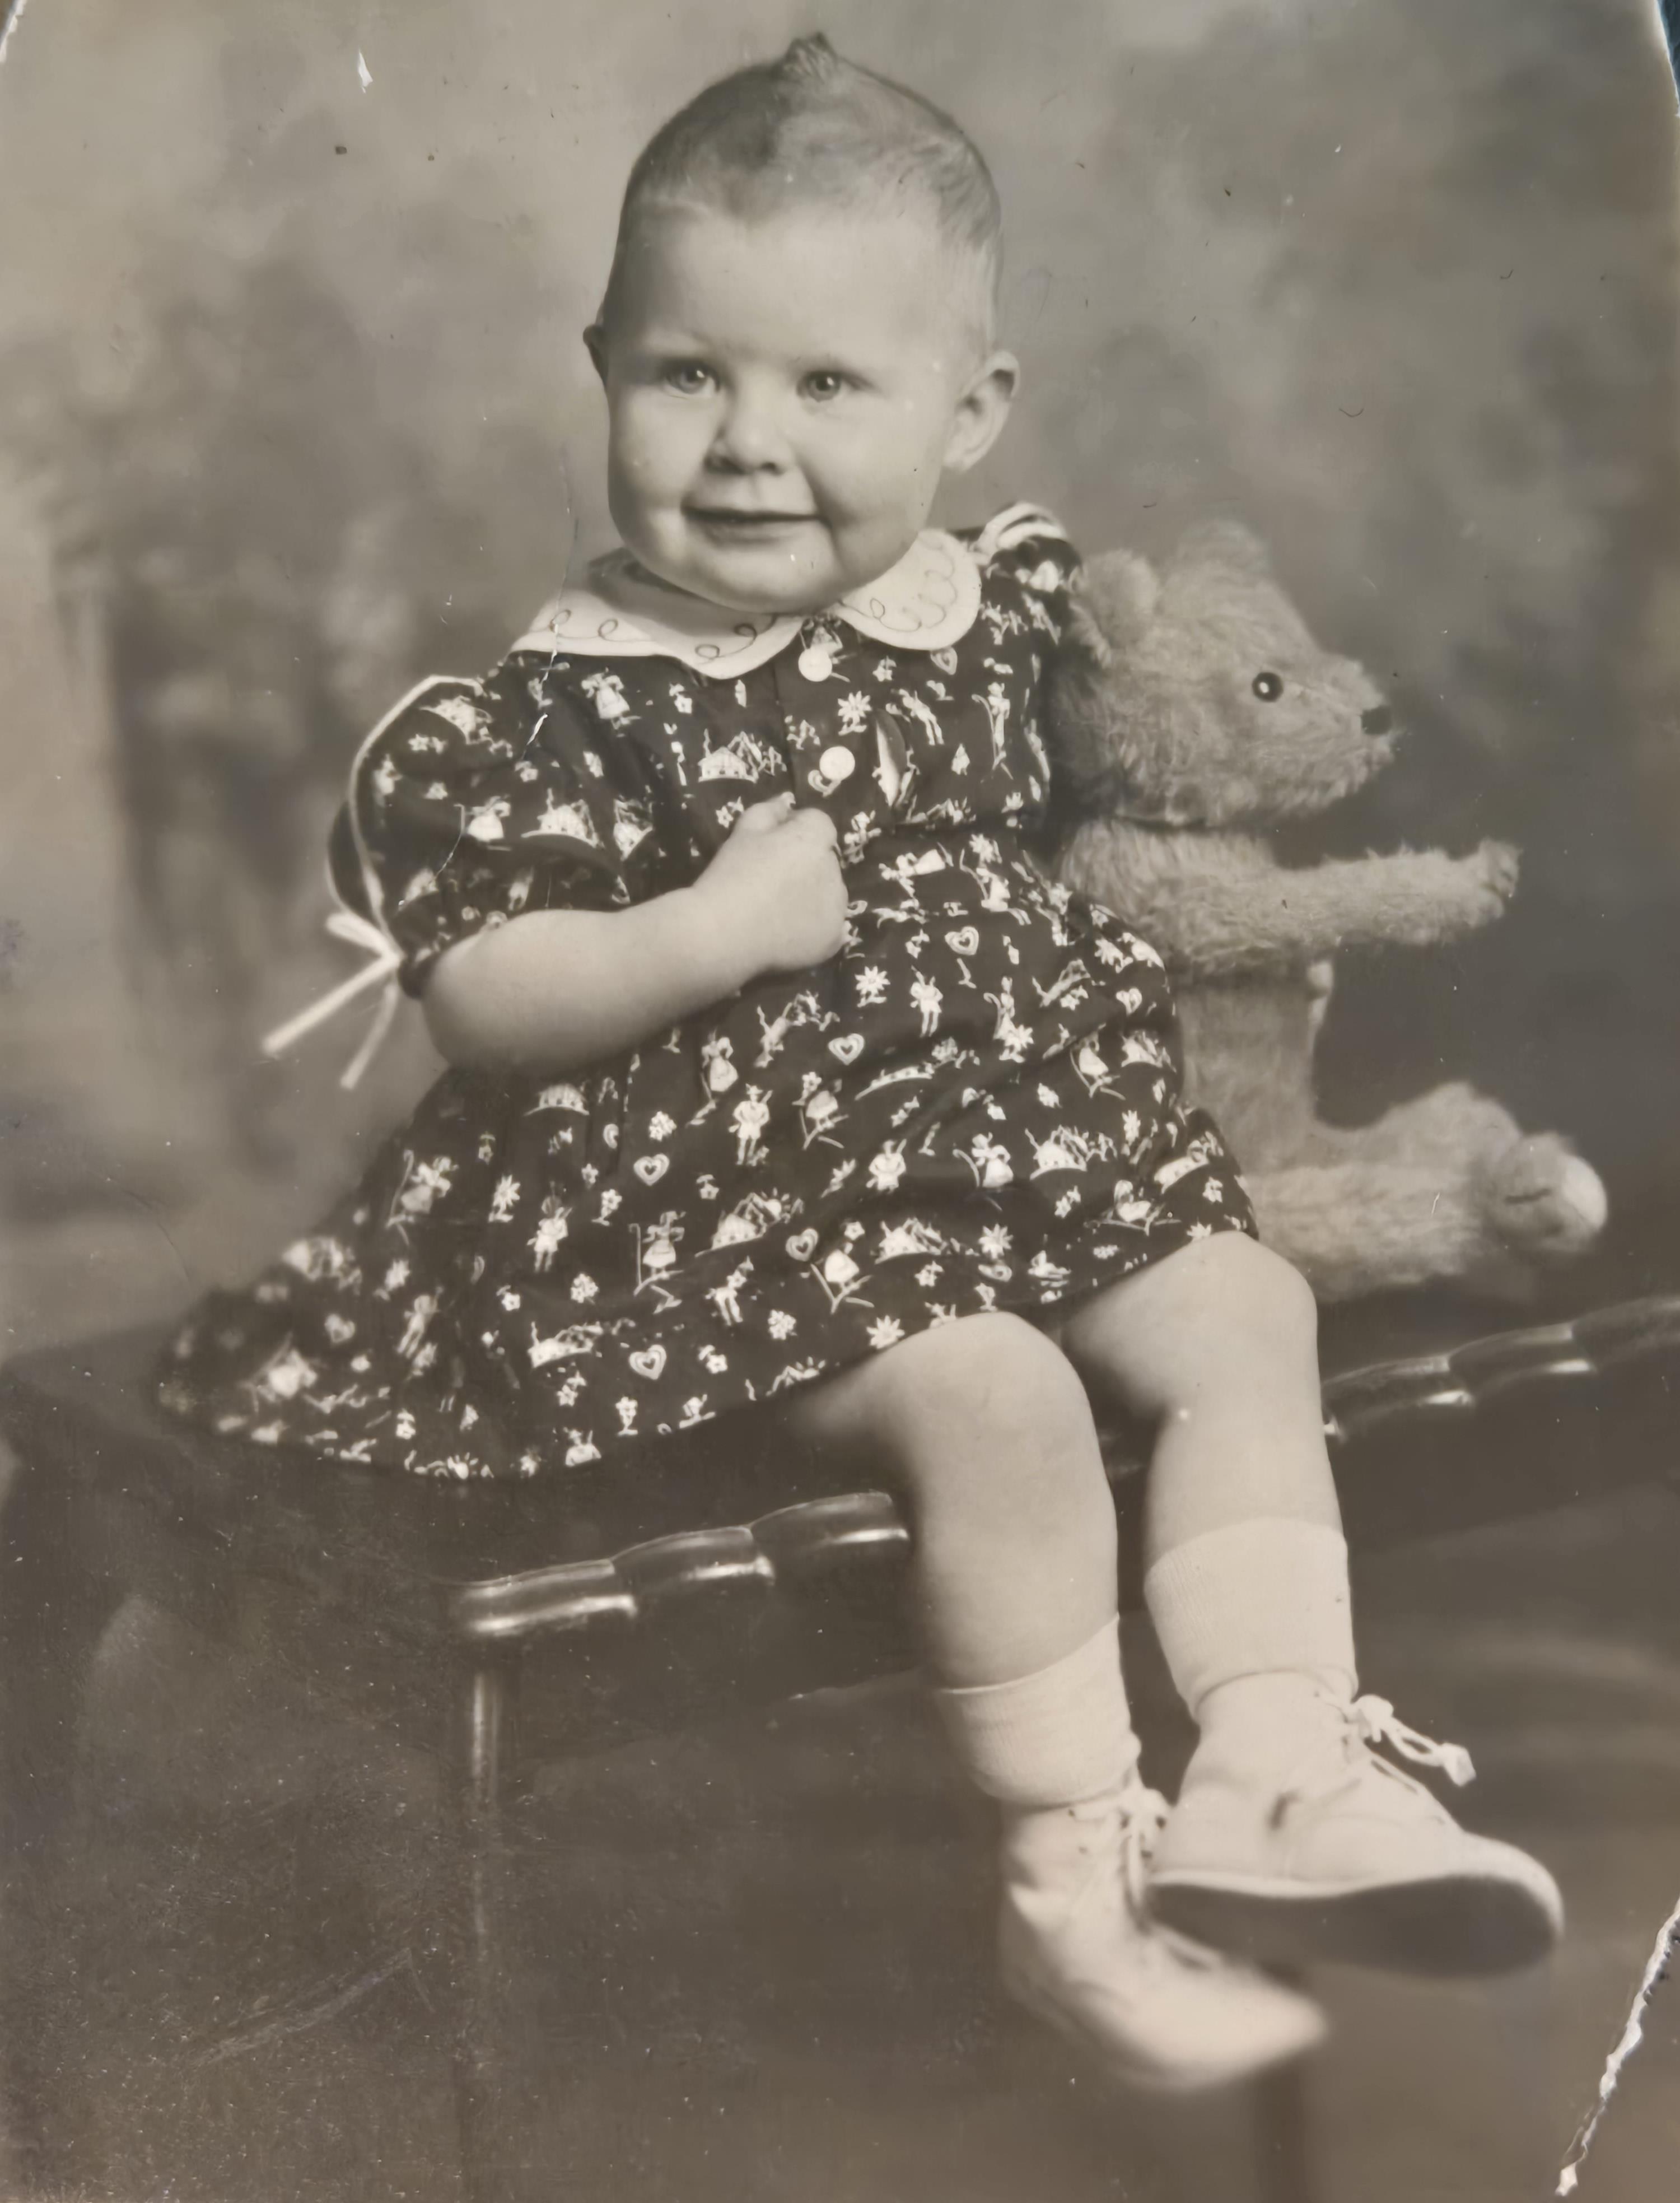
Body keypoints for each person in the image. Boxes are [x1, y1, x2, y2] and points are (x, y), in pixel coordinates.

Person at [161, 34, 1563, 2092]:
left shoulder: (981, 614)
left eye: (827, 386)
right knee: (994, 1392)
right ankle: (1076, 1872)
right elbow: (480, 994)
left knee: (1245, 1299)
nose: (745, 444)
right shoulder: (567, 702)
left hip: (1008, 1164)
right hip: (718, 1221)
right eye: (686, 374)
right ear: (604, 366)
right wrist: (698, 934)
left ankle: (1278, 1754)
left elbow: (1144, 778)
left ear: (969, 411)